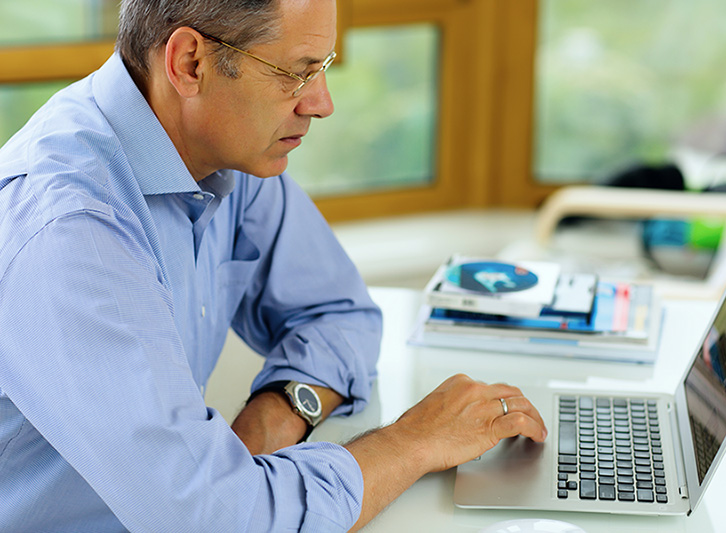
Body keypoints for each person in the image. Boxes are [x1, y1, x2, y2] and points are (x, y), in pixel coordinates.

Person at [0, 0, 547, 531]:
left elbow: (339, 313)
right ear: (190, 63)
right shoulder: (72, 235)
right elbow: (214, 521)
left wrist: (274, 421)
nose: (321, 103)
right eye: (296, 73)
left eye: (323, 69)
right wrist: (413, 440)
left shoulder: (218, 148)